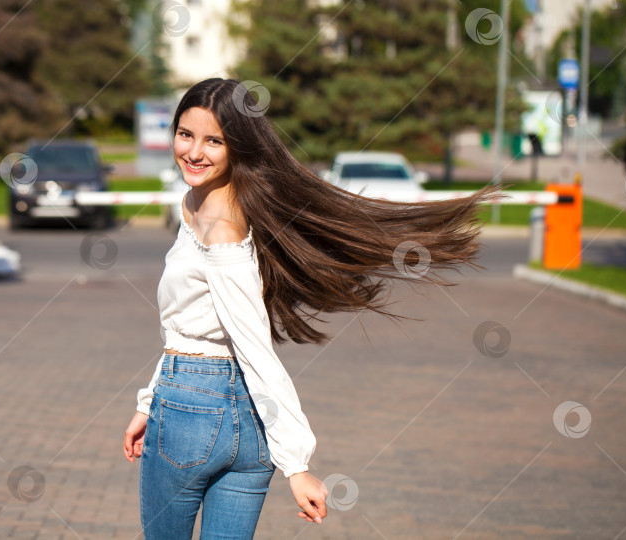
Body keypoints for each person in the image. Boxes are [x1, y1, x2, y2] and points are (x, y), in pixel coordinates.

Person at [123, 78, 500, 539]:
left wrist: (297, 464)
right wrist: (149, 400)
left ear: (238, 146)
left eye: (214, 141)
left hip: (190, 413)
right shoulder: (208, 205)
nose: (194, 152)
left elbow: (252, 345)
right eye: (186, 134)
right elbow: (195, 323)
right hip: (245, 427)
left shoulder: (221, 228)